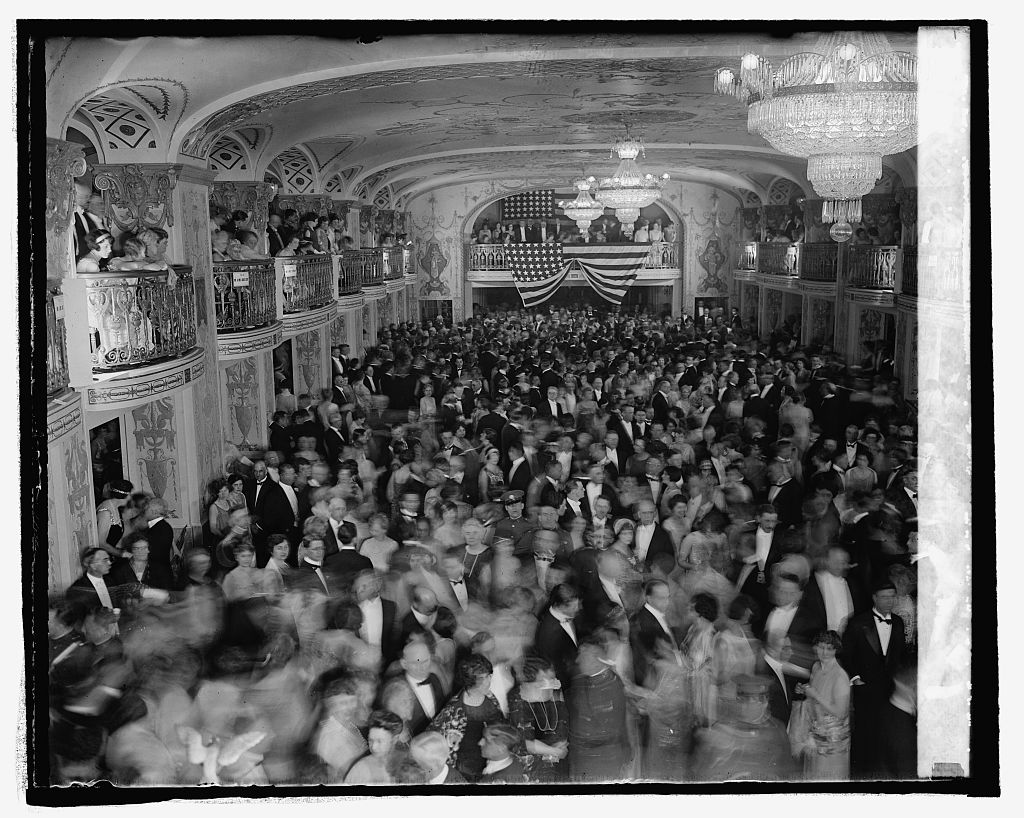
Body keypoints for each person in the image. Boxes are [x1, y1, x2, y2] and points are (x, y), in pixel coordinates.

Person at [429, 654, 504, 781]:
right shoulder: (453, 709)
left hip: (490, 763)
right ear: (471, 681)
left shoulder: (490, 698)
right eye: (485, 677)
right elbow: (435, 740)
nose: (490, 680)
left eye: (489, 675)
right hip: (465, 770)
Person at [795, 630, 851, 780]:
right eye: (821, 647)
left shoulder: (840, 677)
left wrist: (815, 695)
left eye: (829, 648)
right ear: (815, 647)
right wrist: (804, 690)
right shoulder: (816, 667)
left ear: (836, 650)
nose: (824, 652)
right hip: (816, 736)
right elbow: (815, 694)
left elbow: (840, 712)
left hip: (833, 743)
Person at [507, 655, 570, 782]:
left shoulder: (553, 692)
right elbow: (525, 743)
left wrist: (561, 742)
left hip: (555, 762)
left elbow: (562, 722)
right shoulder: (517, 700)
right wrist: (555, 751)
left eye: (551, 677)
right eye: (544, 679)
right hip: (532, 767)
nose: (551, 681)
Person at [345, 710, 406, 784]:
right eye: (370, 740)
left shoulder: (406, 762)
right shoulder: (360, 770)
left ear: (395, 739)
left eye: (379, 741)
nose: (373, 747)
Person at [95, 479, 134, 556]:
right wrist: (121, 554)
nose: (131, 498)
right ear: (126, 495)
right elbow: (100, 543)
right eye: (131, 494)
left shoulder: (116, 508)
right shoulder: (105, 512)